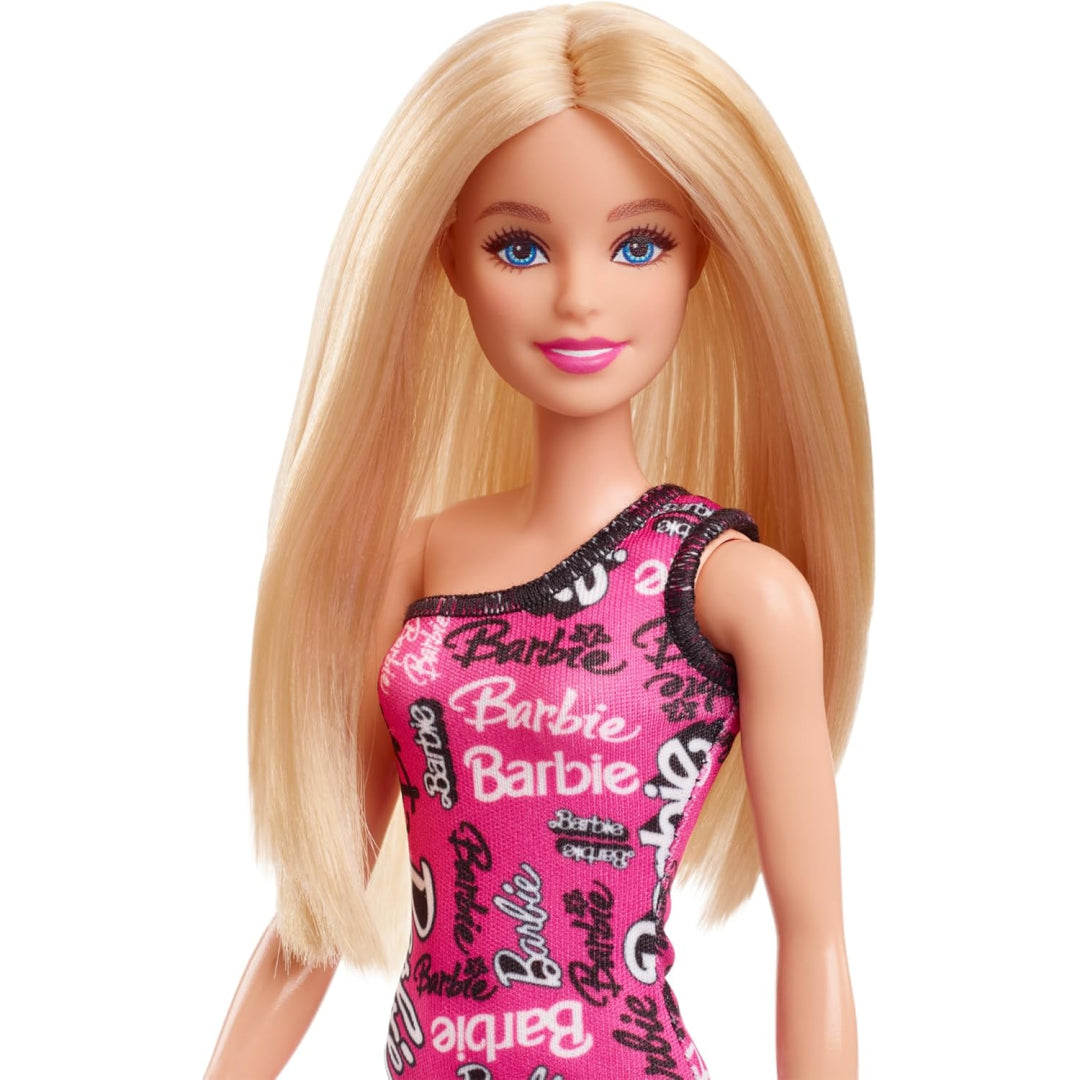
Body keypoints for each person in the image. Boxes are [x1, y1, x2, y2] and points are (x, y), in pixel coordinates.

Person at [205, 4, 872, 1077]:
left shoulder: (733, 591)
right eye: (518, 246)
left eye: (638, 244)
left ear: (699, 257)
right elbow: (315, 913)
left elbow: (817, 940)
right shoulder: (413, 563)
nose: (578, 298)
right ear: (448, 261)